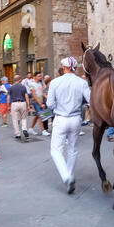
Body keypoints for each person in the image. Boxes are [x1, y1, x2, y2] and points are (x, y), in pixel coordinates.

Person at [47, 57, 91, 194]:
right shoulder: (81, 83)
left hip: (60, 118)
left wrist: (57, 106)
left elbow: (49, 104)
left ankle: (66, 177)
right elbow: (90, 101)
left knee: (55, 150)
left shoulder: (55, 82)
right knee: (73, 149)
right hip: (76, 119)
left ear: (64, 68)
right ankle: (70, 176)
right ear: (75, 68)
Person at [8, 75, 31, 141]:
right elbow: (26, 96)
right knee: (23, 118)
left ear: (14, 80)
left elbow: (8, 97)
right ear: (20, 80)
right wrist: (28, 105)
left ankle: (17, 134)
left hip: (14, 104)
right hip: (23, 103)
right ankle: (24, 129)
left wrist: (8, 106)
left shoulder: (11, 87)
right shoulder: (23, 87)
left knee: (15, 119)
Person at [28, 72, 50, 136]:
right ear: (34, 77)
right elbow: (34, 95)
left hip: (41, 101)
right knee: (40, 115)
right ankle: (43, 131)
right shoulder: (32, 84)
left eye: (40, 76)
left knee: (38, 116)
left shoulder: (40, 84)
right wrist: (40, 104)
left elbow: (42, 93)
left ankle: (31, 129)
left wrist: (47, 98)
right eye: (39, 76)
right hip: (36, 102)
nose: (40, 77)